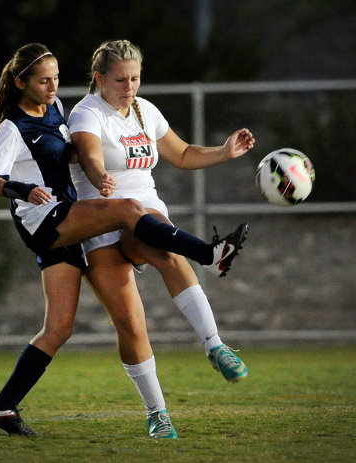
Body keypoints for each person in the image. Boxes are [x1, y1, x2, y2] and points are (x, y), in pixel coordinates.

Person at [0, 43, 249, 438]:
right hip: (53, 220)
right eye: (44, 80)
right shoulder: (27, 123)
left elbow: (69, 154)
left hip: (70, 219)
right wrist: (27, 187)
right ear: (21, 83)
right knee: (127, 222)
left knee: (58, 328)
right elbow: (0, 178)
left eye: (55, 78)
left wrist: (224, 152)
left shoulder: (54, 111)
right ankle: (207, 253)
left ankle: (0, 407)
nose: (54, 86)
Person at [68, 39, 255, 418]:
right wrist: (99, 174)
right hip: (99, 217)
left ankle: (215, 345)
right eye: (120, 80)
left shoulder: (145, 111)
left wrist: (223, 152)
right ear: (99, 78)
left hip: (145, 212)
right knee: (129, 323)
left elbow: (182, 153)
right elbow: (88, 153)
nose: (129, 87)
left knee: (162, 244)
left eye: (135, 78)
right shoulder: (87, 113)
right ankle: (158, 414)